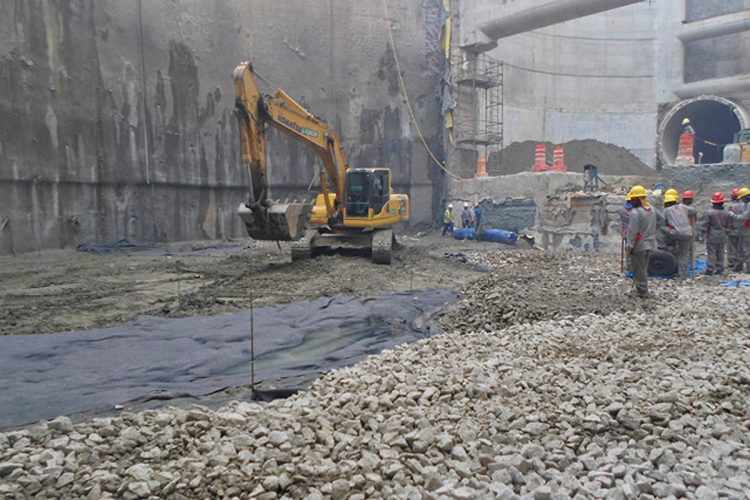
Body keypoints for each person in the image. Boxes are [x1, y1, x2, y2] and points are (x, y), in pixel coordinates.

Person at [625, 185, 657, 298]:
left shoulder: (635, 213)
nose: (631, 201)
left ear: (638, 199)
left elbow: (632, 231)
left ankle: (642, 291)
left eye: (633, 199)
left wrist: (629, 246)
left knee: (638, 269)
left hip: (639, 246)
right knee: (643, 268)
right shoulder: (652, 210)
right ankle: (642, 288)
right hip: (650, 244)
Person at [662, 190, 693, 278]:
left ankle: (672, 267)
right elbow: (694, 211)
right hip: (688, 233)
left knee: (662, 229)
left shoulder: (666, 210)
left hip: (675, 234)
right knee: (684, 254)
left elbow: (662, 223)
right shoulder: (683, 207)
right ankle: (683, 275)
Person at [700, 192, 731, 275]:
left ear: (713, 202)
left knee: (711, 252)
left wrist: (701, 235)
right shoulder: (727, 212)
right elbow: (728, 225)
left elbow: (704, 225)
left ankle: (710, 269)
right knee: (720, 252)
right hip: (723, 234)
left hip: (712, 235)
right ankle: (720, 268)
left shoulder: (709, 212)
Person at [731, 187, 750, 272]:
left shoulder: (749, 205)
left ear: (746, 196)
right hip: (745, 229)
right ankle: (740, 267)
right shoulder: (746, 204)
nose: (741, 200)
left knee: (746, 249)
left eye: (742, 198)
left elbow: (744, 217)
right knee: (742, 248)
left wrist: (732, 215)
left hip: (747, 230)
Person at [727, 188, 744, 272]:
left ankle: (733, 264)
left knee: (732, 247)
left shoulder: (731, 206)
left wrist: (728, 228)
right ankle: (740, 264)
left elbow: (729, 219)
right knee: (740, 247)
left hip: (733, 230)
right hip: (743, 230)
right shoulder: (745, 205)